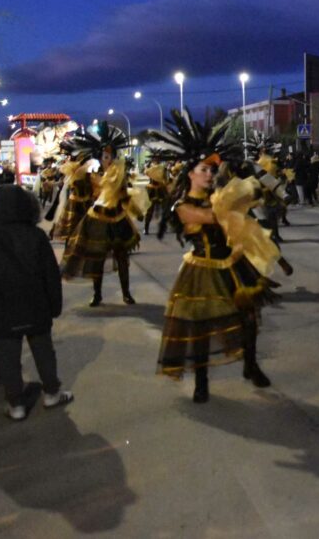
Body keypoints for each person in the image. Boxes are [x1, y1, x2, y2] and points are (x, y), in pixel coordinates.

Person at [149, 109, 289, 403]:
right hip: (202, 272)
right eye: (204, 170)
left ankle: (251, 366)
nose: (210, 174)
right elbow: (216, 216)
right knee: (202, 329)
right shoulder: (182, 206)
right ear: (190, 173)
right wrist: (246, 188)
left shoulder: (219, 195)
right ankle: (202, 381)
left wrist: (253, 183)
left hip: (233, 266)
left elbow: (237, 212)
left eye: (213, 170)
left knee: (249, 319)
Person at [0, 185, 73, 421]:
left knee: (8, 358)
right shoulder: (35, 235)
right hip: (36, 305)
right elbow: (51, 274)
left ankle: (16, 405)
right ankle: (52, 392)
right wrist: (55, 304)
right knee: (44, 350)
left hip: (0, 308)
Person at [60, 123, 146, 307]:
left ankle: (126, 293)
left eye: (109, 156)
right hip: (97, 219)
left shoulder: (119, 174)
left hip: (118, 218)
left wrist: (136, 212)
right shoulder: (92, 173)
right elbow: (79, 187)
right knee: (96, 258)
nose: (107, 159)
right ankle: (97, 295)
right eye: (104, 156)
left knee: (122, 257)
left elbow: (123, 196)